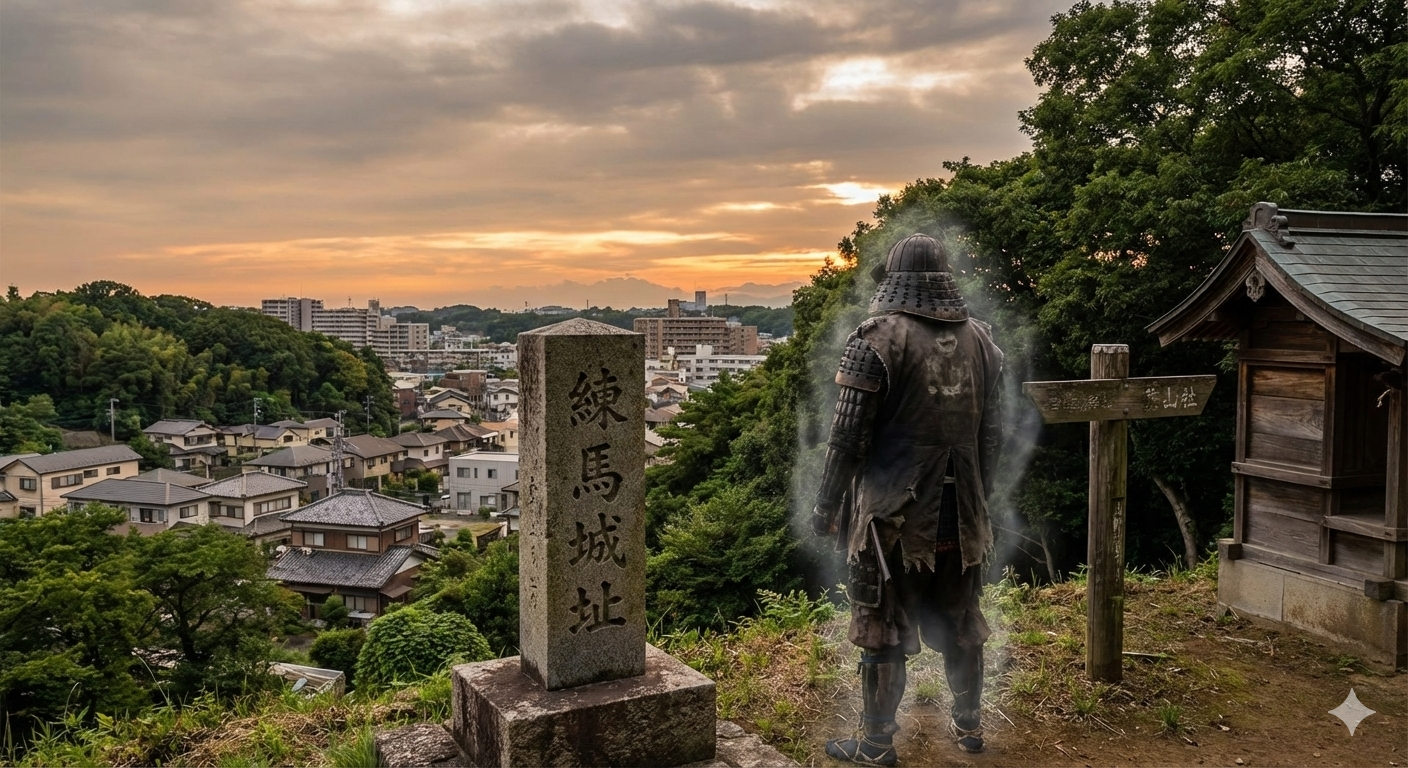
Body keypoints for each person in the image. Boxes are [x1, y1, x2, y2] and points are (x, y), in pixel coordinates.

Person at [812, 233, 1004, 765]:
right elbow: (992, 437)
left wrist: (825, 506)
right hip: (962, 515)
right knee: (962, 620)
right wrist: (978, 501)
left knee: (881, 627)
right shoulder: (982, 341)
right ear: (942, 278)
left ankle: (876, 746)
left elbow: (847, 438)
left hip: (891, 519)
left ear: (894, 279)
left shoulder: (875, 339)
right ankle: (970, 729)